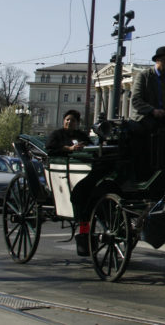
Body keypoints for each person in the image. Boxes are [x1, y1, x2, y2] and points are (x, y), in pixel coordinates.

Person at [46, 110, 95, 257]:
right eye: (67, 120)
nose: (69, 122)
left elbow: (90, 147)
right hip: (63, 168)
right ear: (63, 121)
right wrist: (70, 148)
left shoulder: (81, 136)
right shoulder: (57, 135)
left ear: (77, 123)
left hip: (81, 168)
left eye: (72, 121)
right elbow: (51, 149)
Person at [130, 46, 165, 132]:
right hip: (145, 116)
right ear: (157, 60)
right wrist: (153, 110)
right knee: (155, 129)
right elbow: (136, 100)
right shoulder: (144, 76)